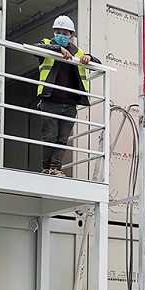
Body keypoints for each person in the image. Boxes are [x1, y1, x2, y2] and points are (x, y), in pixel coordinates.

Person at [34, 15, 97, 175]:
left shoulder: (78, 52)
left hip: (70, 103)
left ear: (71, 35)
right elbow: (35, 47)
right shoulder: (47, 45)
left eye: (65, 32)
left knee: (62, 139)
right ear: (53, 32)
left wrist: (89, 57)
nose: (60, 35)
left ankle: (56, 168)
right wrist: (58, 49)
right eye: (58, 32)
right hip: (51, 100)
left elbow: (98, 63)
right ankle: (46, 168)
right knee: (50, 136)